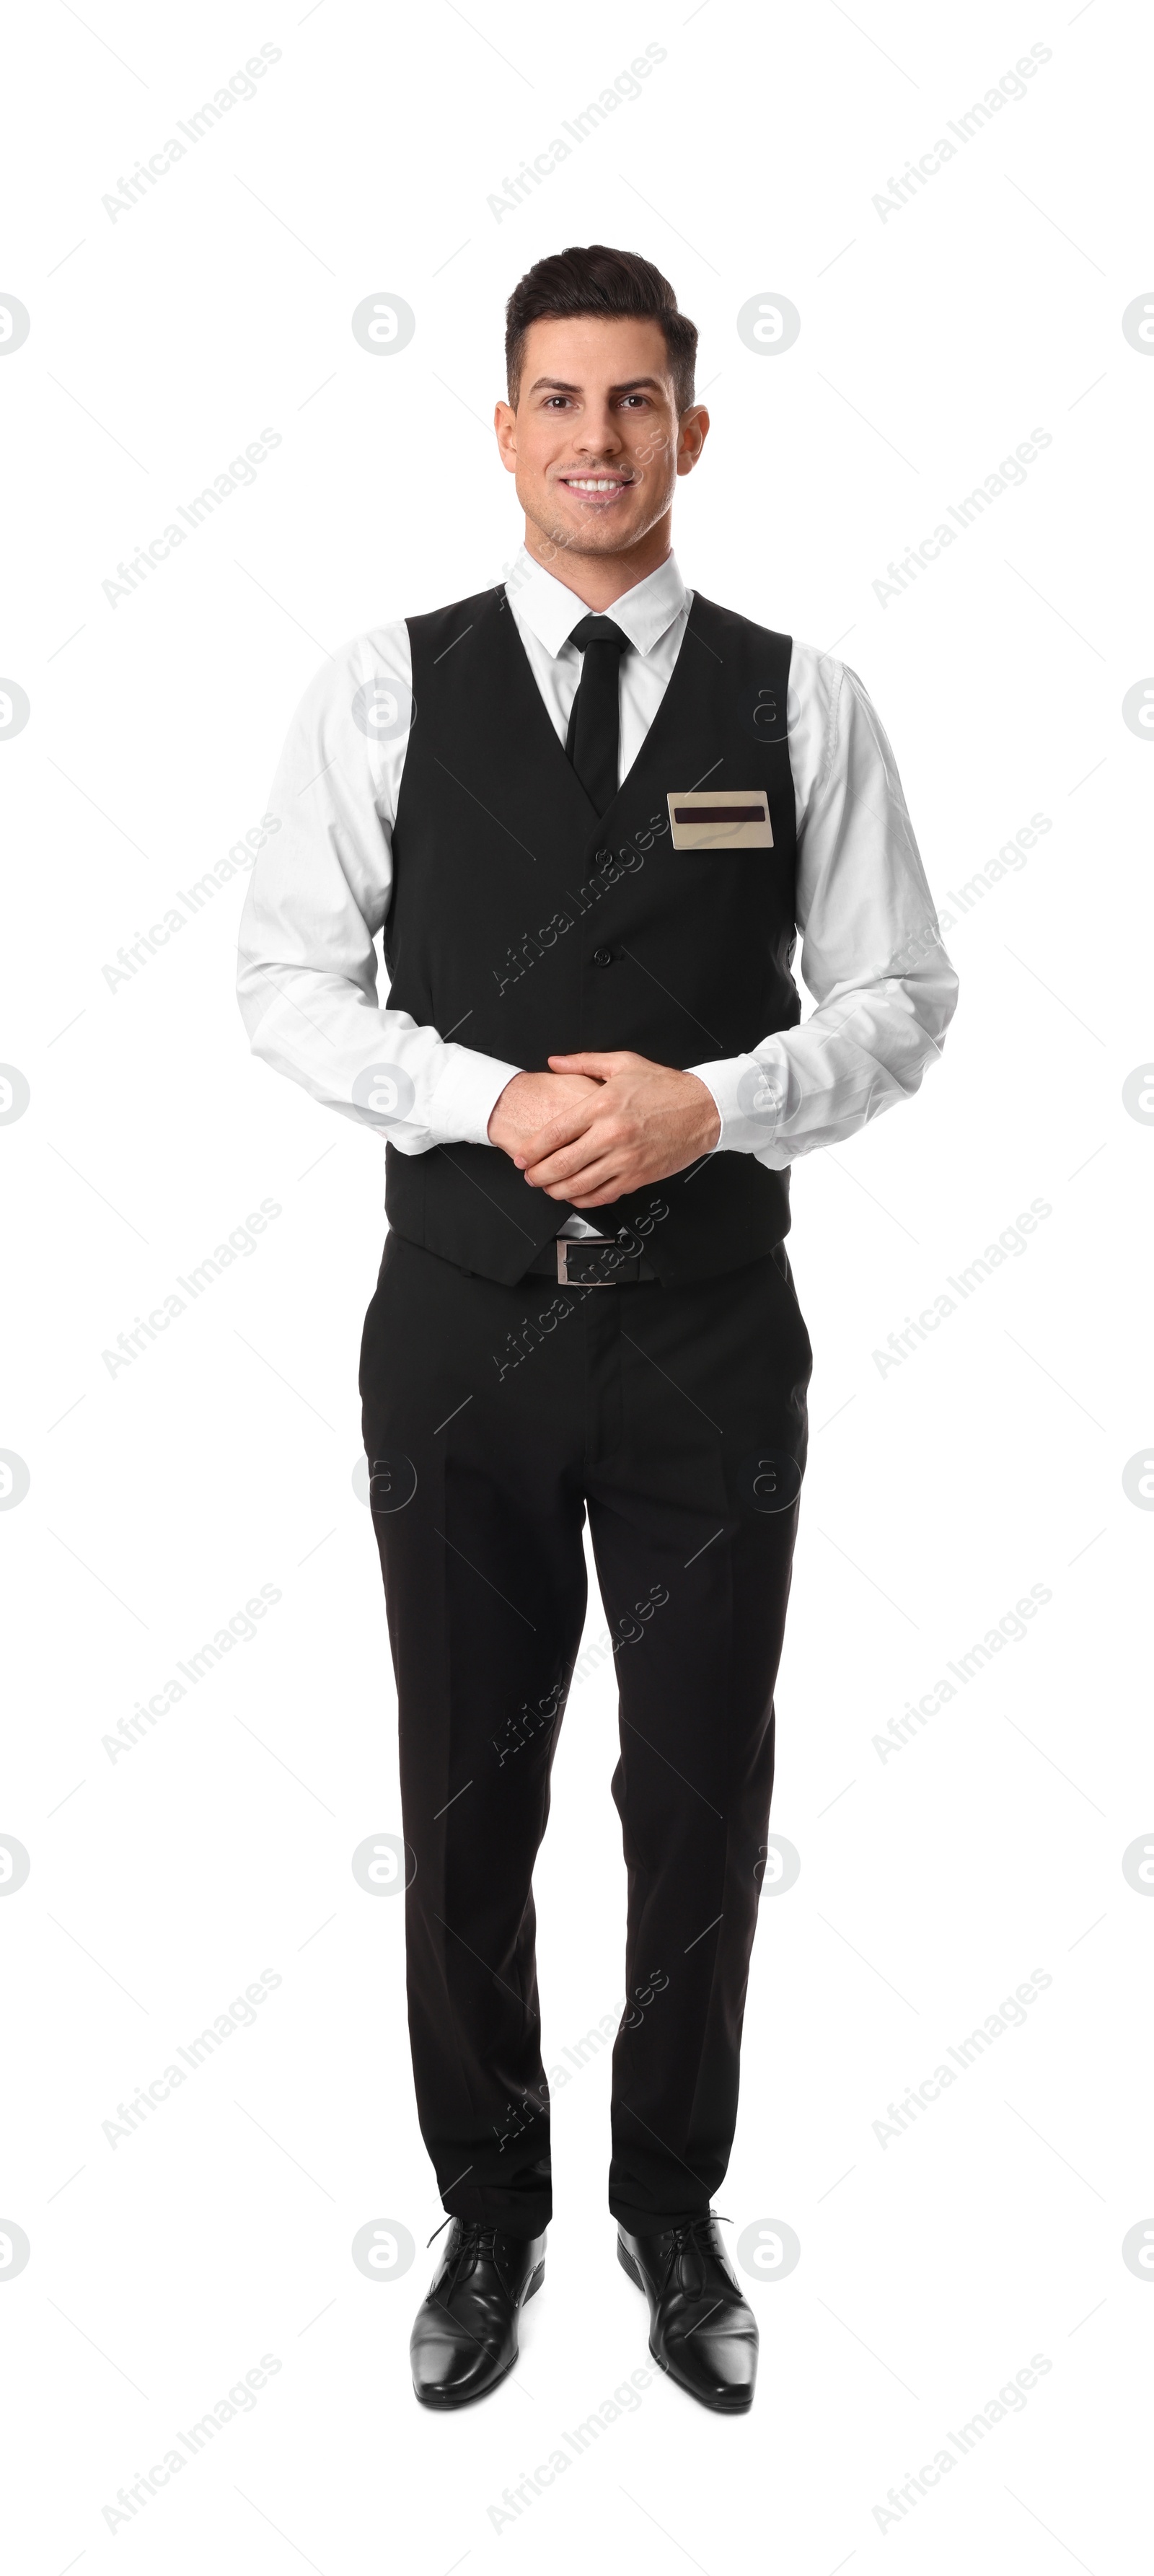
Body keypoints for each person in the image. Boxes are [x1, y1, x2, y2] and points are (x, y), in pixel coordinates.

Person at [237, 242, 958, 2415]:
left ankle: (667, 2208)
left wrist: (710, 1104)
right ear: (503, 427)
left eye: (635, 401)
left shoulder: (799, 699)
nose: (595, 438)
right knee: (467, 1796)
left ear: (692, 431)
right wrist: (496, 1098)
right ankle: (490, 2209)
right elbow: (282, 981)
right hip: (456, 1331)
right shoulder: (385, 687)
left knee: (699, 1795)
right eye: (558, 399)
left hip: (713, 1345)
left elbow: (906, 999)